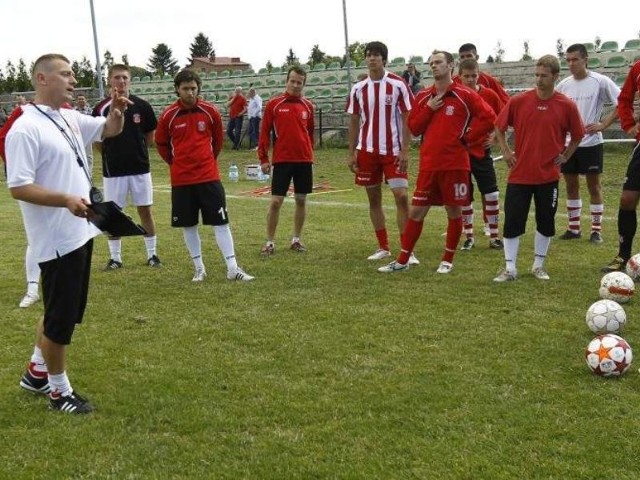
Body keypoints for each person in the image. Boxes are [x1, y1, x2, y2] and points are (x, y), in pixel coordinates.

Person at [6, 53, 129, 413]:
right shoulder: (25, 128)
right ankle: (59, 392)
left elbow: (108, 129)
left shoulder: (68, 117)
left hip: (80, 230)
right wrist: (64, 200)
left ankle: (36, 371)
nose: (73, 79)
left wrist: (117, 111)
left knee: (66, 310)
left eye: (73, 73)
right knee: (60, 318)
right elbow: (18, 186)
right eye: (65, 74)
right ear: (42, 79)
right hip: (56, 238)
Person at [378, 50, 496, 274]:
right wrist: (429, 109)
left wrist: (467, 138)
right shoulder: (423, 96)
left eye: (439, 62)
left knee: (454, 210)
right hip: (429, 165)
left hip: (455, 164)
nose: (434, 66)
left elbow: (489, 117)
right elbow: (414, 127)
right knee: (416, 212)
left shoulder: (464, 94)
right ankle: (403, 260)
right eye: (431, 63)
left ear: (451, 65)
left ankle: (447, 259)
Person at [155, 69, 254, 282]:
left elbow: (217, 142)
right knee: (189, 225)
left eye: (193, 88)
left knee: (221, 222)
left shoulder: (211, 111)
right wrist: (176, 163)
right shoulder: (168, 115)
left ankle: (232, 268)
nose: (190, 92)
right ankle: (199, 268)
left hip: (209, 177)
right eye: (185, 89)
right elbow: (161, 144)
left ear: (198, 88)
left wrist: (207, 161)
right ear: (177, 90)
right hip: (182, 180)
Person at [493, 55, 585, 282]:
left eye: (544, 76)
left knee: (546, 221)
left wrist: (565, 156)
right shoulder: (519, 101)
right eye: (537, 75)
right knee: (513, 221)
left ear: (555, 76)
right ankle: (510, 268)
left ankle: (538, 265)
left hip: (548, 176)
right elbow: (499, 126)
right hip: (519, 175)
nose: (539, 79)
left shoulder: (567, 105)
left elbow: (578, 135)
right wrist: (505, 151)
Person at [346, 40, 418, 265]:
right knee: (373, 199)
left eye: (376, 55)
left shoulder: (398, 84)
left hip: (393, 151)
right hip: (367, 151)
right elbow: (354, 120)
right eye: (368, 54)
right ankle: (383, 246)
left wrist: (406, 149)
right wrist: (351, 152)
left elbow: (409, 117)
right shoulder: (358, 88)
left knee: (402, 196)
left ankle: (408, 251)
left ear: (384, 59)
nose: (372, 58)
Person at [93, 64, 161, 270]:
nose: (121, 82)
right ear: (109, 81)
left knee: (145, 211)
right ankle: (116, 258)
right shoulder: (101, 108)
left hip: (140, 169)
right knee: (113, 214)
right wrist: (111, 154)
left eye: (124, 78)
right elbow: (96, 140)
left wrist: (137, 151)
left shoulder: (142, 106)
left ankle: (152, 255)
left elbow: (150, 137)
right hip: (113, 171)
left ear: (129, 80)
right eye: (116, 78)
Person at [556, 43, 620, 244]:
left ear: (585, 59)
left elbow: (621, 103)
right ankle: (574, 229)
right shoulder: (564, 85)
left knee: (594, 186)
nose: (571, 63)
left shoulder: (600, 81)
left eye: (575, 59)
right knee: (571, 185)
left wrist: (603, 124)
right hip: (568, 145)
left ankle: (596, 230)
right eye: (568, 60)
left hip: (591, 142)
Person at [258, 65, 315, 255]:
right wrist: (264, 158)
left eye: (299, 82)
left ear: (304, 84)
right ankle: (269, 242)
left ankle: (296, 240)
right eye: (292, 81)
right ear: (286, 81)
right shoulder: (274, 104)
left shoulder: (308, 106)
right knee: (276, 202)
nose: (295, 85)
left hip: (304, 161)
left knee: (301, 200)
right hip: (282, 160)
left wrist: (309, 154)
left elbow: (310, 133)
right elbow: (264, 132)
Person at [457, 58, 505, 251]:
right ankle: (469, 236)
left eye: (473, 75)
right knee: (464, 195)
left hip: (481, 152)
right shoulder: (454, 95)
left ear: (479, 75)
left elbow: (502, 118)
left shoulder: (489, 94)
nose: (470, 79)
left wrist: (494, 136)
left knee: (491, 192)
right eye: (466, 76)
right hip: (460, 153)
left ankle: (494, 236)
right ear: (459, 76)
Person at [601, 59, 640, 272]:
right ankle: (623, 256)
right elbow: (624, 99)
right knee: (627, 200)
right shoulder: (637, 68)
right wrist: (628, 125)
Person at [75, 94, 95, 177]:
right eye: (79, 99)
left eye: (82, 99)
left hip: (87, 135)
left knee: (88, 156)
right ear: (77, 101)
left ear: (85, 100)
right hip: (77, 136)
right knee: (78, 155)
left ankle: (89, 175)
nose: (81, 101)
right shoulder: (74, 112)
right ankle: (80, 174)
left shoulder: (90, 111)